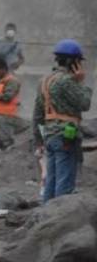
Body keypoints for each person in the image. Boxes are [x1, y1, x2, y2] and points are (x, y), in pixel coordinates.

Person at [34, 39, 91, 203]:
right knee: (64, 185)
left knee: (50, 183)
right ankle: (59, 223)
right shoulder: (67, 81)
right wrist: (81, 82)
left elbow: (37, 115)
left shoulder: (44, 81)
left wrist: (38, 140)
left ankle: (45, 219)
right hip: (66, 136)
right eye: (79, 62)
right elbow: (85, 103)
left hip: (50, 136)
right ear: (73, 63)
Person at [0, 55, 26, 150]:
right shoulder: (0, 83)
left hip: (6, 117)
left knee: (6, 142)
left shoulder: (12, 81)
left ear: (3, 69)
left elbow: (8, 97)